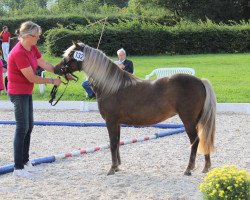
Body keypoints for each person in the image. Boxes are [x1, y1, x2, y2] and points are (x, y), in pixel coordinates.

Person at [8, 21, 62, 179]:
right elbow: (32, 77)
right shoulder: (18, 53)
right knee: (21, 128)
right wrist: (52, 81)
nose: (38, 38)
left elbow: (44, 64)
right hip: (18, 93)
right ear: (27, 36)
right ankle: (18, 167)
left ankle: (25, 163)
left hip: (26, 92)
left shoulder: (32, 48)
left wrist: (61, 71)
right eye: (36, 36)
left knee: (29, 126)